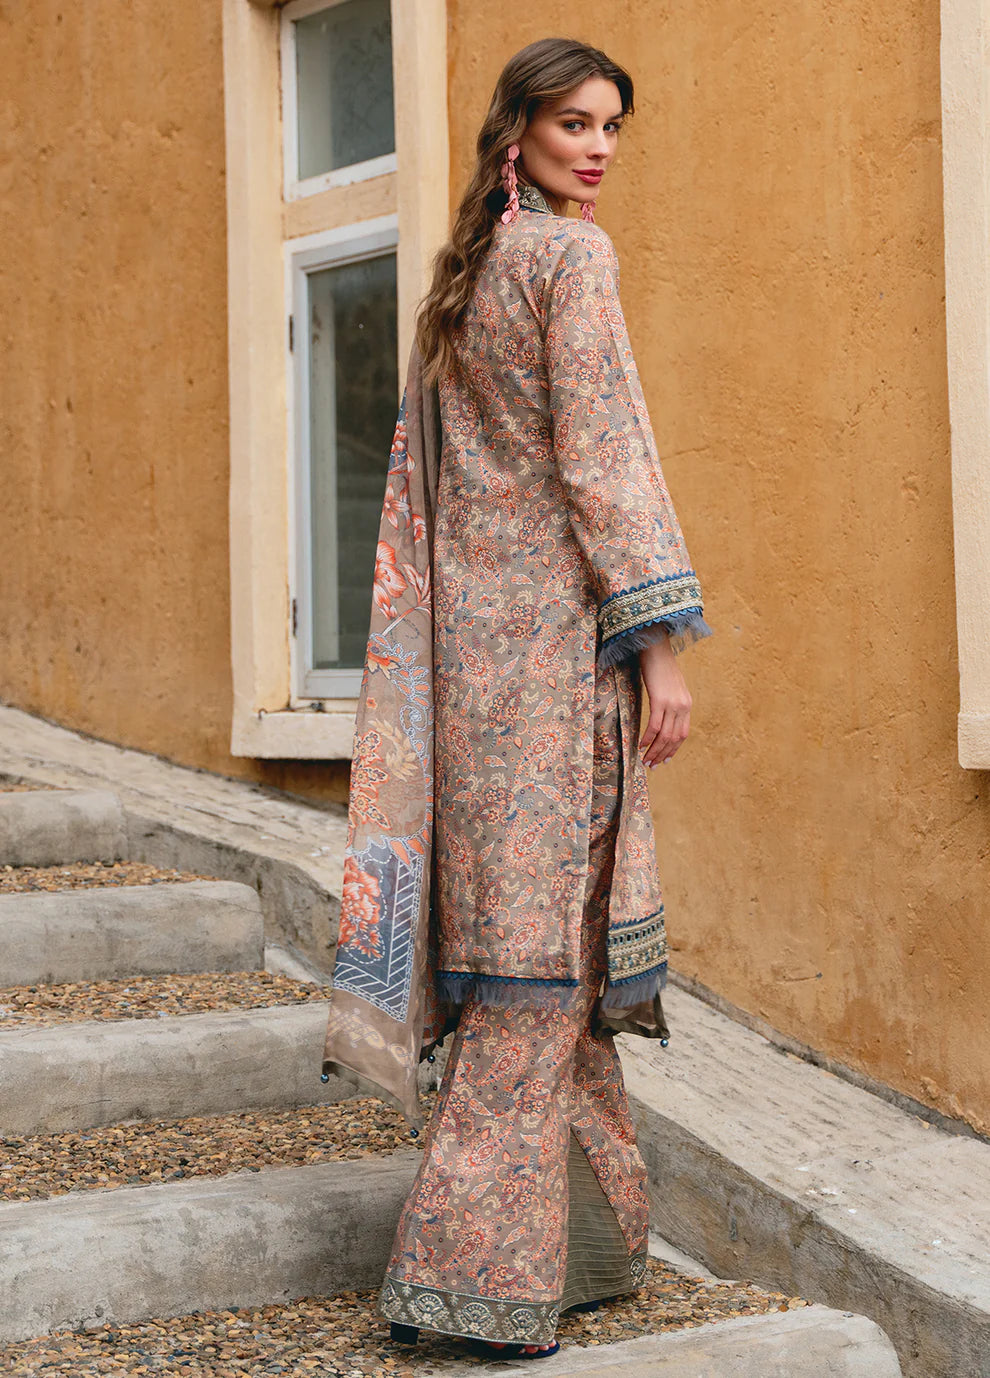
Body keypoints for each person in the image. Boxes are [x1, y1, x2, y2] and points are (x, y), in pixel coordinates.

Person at [320, 35, 711, 1362]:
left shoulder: (468, 278)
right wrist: (659, 640)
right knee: (538, 988)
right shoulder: (566, 260)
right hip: (548, 686)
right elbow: (603, 458)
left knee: (544, 973)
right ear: (517, 133)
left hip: (471, 691)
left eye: (611, 125)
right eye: (572, 123)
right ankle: (464, 1282)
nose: (596, 147)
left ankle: (590, 1247)